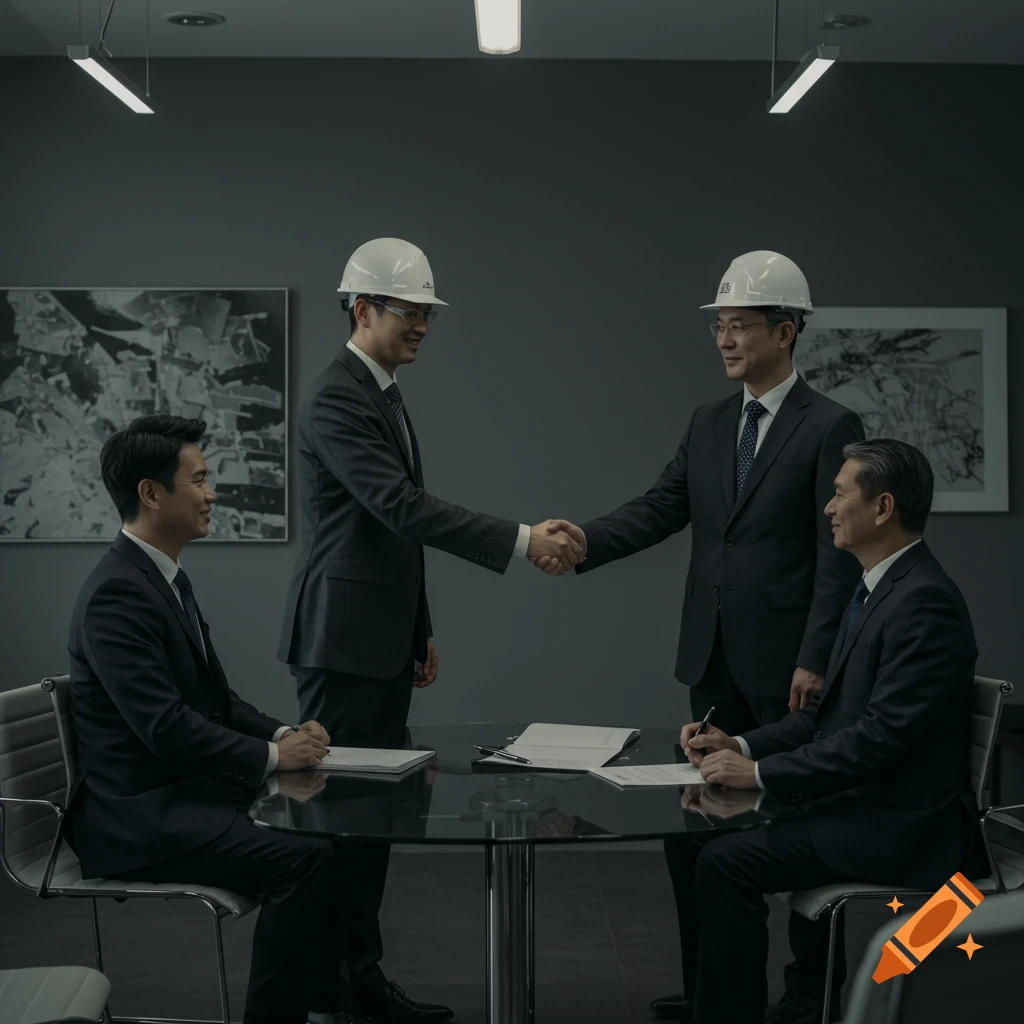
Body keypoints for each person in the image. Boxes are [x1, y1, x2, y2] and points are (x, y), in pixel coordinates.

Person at [534, 251, 864, 1023]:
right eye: (719, 326)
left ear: (785, 332)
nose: (723, 339)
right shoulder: (710, 423)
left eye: (739, 325)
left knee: (801, 822)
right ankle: (708, 988)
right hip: (710, 658)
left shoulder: (830, 425)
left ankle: (809, 993)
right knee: (702, 822)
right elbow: (659, 508)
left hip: (790, 669)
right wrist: (581, 540)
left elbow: (835, 553)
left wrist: (818, 653)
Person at [277, 237, 584, 1024]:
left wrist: (418, 629)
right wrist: (521, 540)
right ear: (362, 308)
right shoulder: (339, 396)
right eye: (409, 311)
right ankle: (335, 992)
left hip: (375, 637)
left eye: (426, 313)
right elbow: (400, 509)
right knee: (338, 823)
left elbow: (387, 531)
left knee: (369, 823)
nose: (421, 325)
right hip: (341, 643)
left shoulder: (379, 390)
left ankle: (361, 983)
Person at [675, 438, 980, 1024]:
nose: (828, 508)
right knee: (693, 842)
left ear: (883, 507)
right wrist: (738, 745)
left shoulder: (923, 602)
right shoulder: (877, 588)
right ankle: (714, 1006)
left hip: (897, 826)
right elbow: (826, 716)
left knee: (722, 863)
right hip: (859, 806)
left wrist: (759, 775)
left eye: (840, 494)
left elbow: (880, 740)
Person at [66, 415, 359, 1024]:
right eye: (199, 480)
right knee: (306, 857)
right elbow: (164, 727)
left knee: (330, 833)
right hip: (136, 817)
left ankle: (329, 1004)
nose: (213, 492)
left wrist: (283, 733)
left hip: (178, 796)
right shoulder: (116, 594)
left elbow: (217, 701)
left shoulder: (162, 578)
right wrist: (279, 761)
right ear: (152, 494)